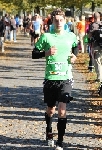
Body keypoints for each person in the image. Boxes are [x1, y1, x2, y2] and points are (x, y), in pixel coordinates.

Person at [32, 9, 77, 150]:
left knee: (62, 110)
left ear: (65, 21)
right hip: (51, 78)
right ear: (52, 21)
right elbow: (34, 54)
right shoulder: (46, 37)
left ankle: (60, 142)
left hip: (66, 78)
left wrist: (74, 56)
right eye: (56, 20)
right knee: (51, 110)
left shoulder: (71, 36)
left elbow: (76, 47)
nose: (58, 22)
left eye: (61, 20)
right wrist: (46, 53)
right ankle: (49, 129)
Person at [90, 12, 102, 83]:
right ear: (100, 17)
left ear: (93, 17)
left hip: (96, 46)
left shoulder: (93, 25)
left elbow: (90, 35)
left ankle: (99, 78)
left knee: (97, 61)